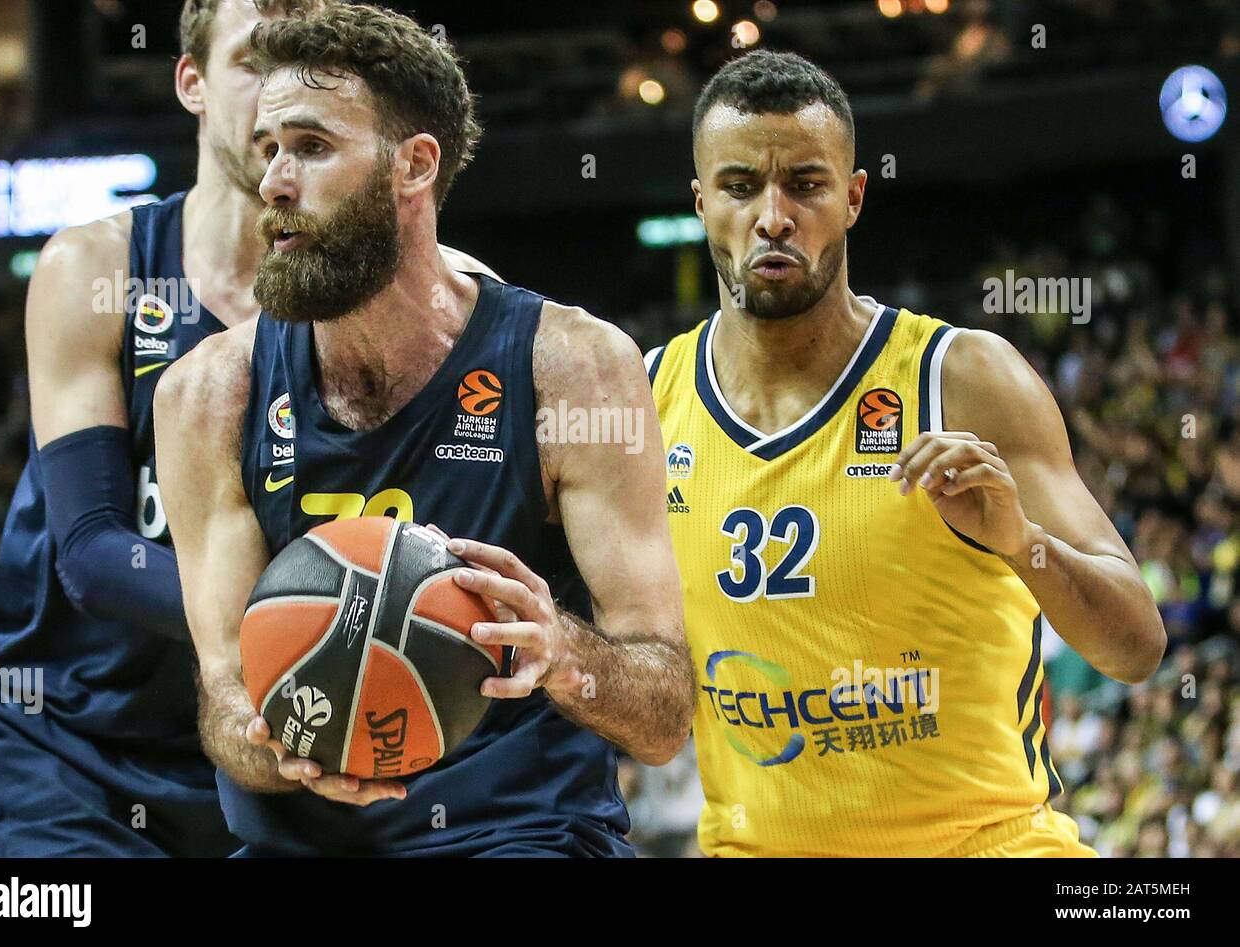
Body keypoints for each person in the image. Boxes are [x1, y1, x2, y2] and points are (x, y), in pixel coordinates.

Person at [0, 0, 499, 858]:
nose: (283, 91)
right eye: (256, 61)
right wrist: (331, 615)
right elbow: (95, 551)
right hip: (77, 763)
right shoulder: (98, 268)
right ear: (192, 83)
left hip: (290, 750)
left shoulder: (432, 304)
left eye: (309, 65)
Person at [154, 3, 693, 857]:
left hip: (519, 836)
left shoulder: (571, 367)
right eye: (267, 150)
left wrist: (561, 651)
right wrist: (279, 745)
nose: (274, 183)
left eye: (312, 147)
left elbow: (663, 717)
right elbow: (224, 699)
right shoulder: (205, 395)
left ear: (413, 165)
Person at [645, 50, 1166, 857]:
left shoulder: (964, 377)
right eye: (742, 186)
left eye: (807, 185)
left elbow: (1134, 646)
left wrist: (1022, 541)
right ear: (702, 200)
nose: (773, 216)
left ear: (853, 197)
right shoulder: (648, 399)